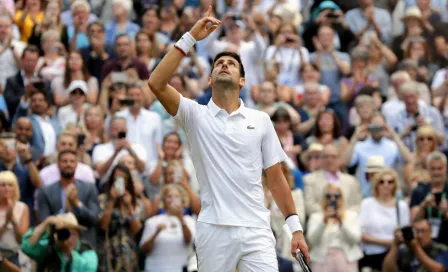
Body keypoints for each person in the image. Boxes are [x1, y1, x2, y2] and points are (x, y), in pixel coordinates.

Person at [147, 7, 309, 271]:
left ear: (242, 80)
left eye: (232, 63)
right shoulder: (194, 115)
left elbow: (276, 179)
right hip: (213, 230)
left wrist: (296, 230)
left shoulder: (261, 120)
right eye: (219, 63)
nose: (224, 64)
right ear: (209, 79)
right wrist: (190, 37)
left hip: (257, 229)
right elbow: (156, 82)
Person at [37, 150, 99, 247]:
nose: (68, 164)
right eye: (64, 161)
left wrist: (77, 203)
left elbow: (94, 219)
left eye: (72, 161)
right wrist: (64, 212)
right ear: (58, 164)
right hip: (56, 246)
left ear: (77, 164)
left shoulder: (89, 188)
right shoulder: (46, 191)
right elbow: (44, 222)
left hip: (84, 246)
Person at [359, 168, 411, 271]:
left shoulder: (401, 206)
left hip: (394, 256)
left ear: (394, 185)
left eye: (390, 182)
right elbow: (361, 233)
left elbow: (406, 233)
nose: (386, 185)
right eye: (382, 182)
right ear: (376, 185)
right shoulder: (367, 203)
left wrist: (397, 240)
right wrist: (387, 242)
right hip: (371, 255)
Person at [97, 163, 146, 272]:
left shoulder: (136, 203)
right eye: (117, 177)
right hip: (108, 251)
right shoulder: (102, 200)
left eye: (124, 178)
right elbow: (103, 226)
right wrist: (111, 201)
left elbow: (136, 229)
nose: (120, 181)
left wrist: (129, 207)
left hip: (128, 253)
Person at [307, 184, 362, 272]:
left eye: (336, 196)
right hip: (321, 259)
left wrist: (341, 222)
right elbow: (312, 240)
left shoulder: (351, 216)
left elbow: (355, 240)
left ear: (342, 197)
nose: (332, 199)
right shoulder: (316, 217)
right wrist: (323, 222)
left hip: (347, 259)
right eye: (328, 196)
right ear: (324, 198)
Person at [140, 184, 196, 272]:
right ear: (164, 200)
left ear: (182, 200)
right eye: (169, 196)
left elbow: (188, 241)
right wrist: (156, 233)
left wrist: (181, 220)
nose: (173, 199)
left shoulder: (189, 220)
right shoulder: (152, 221)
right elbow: (144, 250)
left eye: (176, 197)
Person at [21, 213, 98, 271]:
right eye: (63, 232)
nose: (67, 236)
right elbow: (27, 247)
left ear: (77, 233)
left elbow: (88, 269)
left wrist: (68, 253)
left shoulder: (87, 251)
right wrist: (46, 222)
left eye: (71, 233)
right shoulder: (49, 248)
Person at [410, 151, 448, 245]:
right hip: (425, 244)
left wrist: (446, 212)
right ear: (427, 169)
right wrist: (424, 206)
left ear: (446, 169)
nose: (436, 172)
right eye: (433, 169)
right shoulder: (419, 191)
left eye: (439, 168)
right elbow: (414, 222)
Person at [382, 218, 448, 272]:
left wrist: (416, 247)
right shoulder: (406, 250)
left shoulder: (441, 249)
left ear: (431, 232)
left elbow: (438, 270)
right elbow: (387, 270)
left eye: (423, 231)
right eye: (416, 231)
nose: (419, 235)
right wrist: (395, 245)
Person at [0, 171, 30, 267]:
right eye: (3, 185)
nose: (7, 188)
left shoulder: (22, 208)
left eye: (10, 185)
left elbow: (22, 239)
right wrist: (5, 223)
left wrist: (12, 219)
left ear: (15, 188)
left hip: (16, 255)